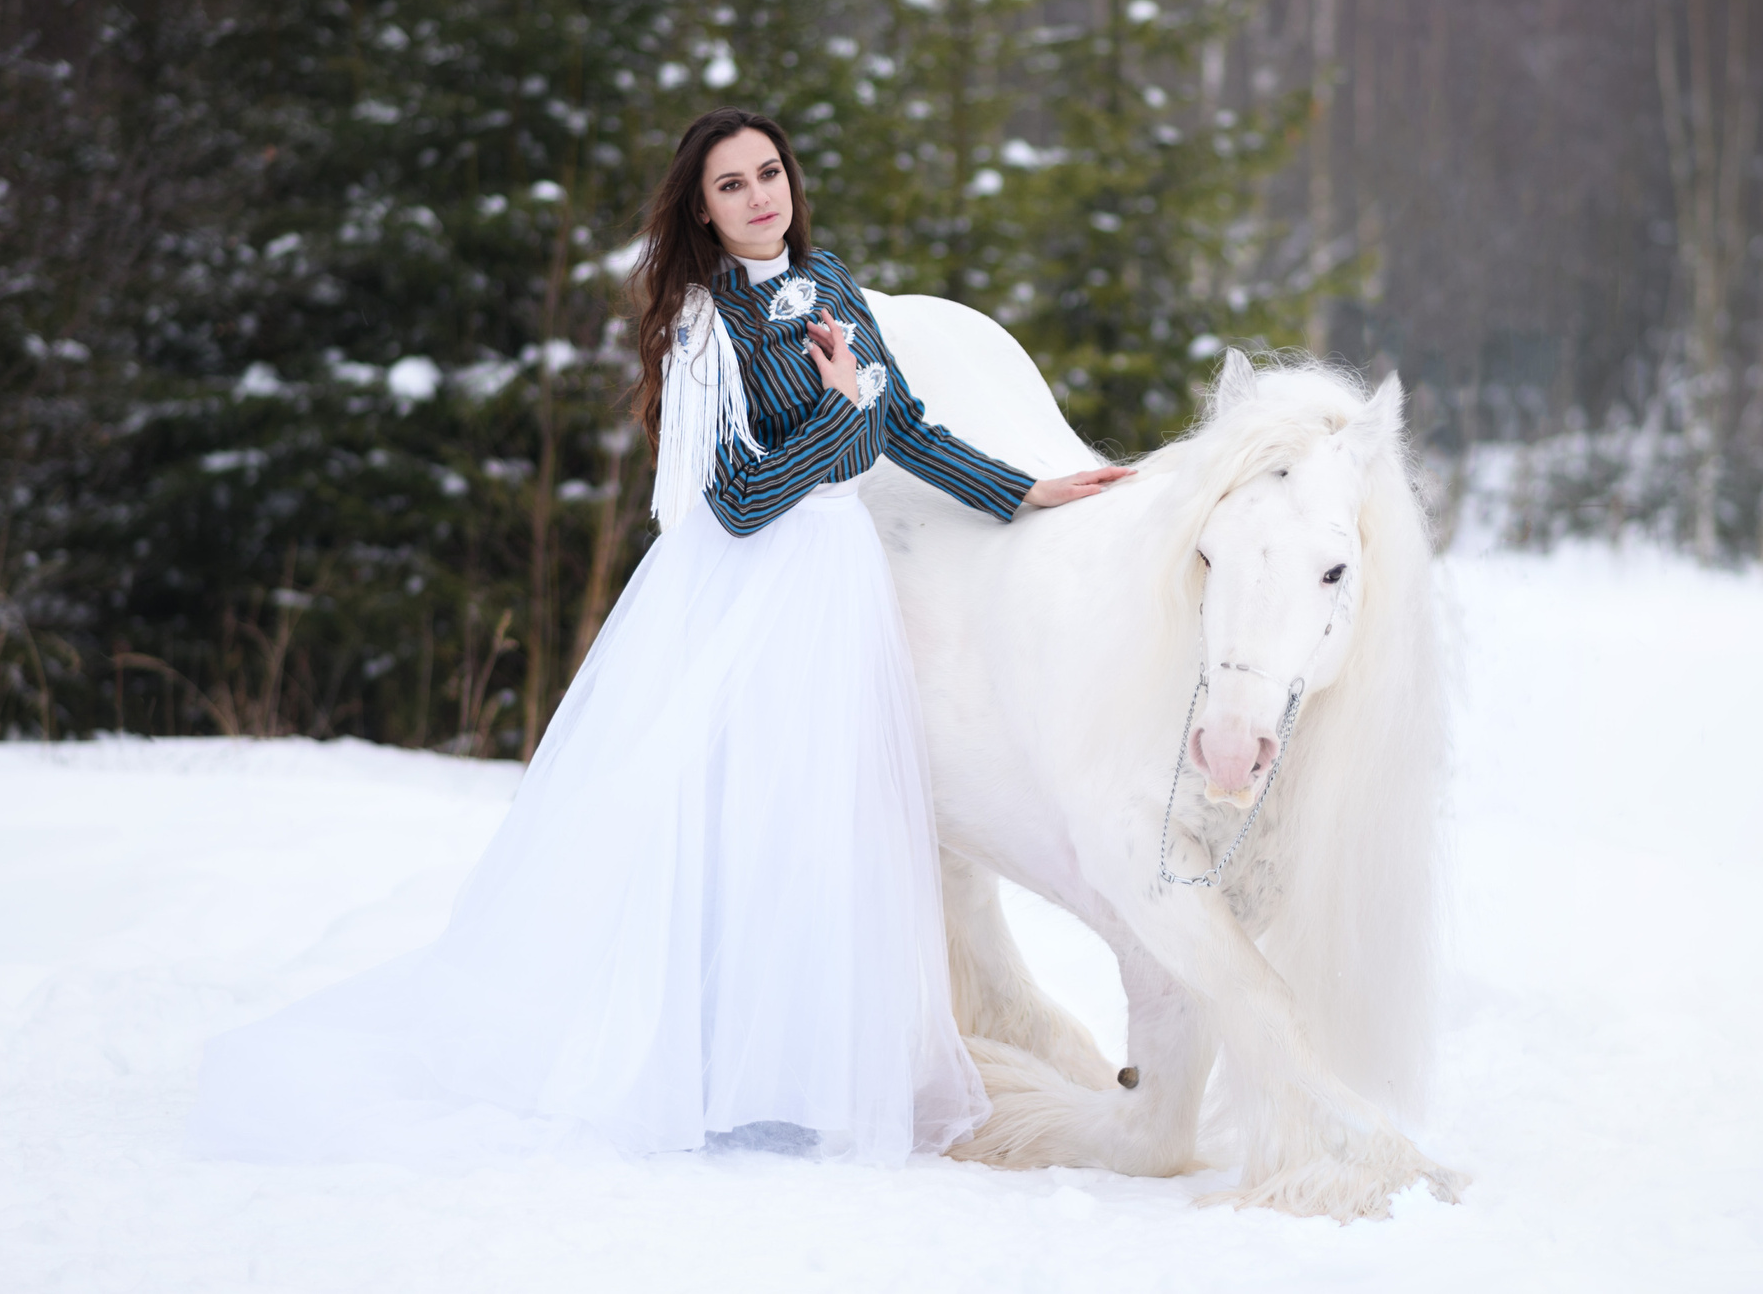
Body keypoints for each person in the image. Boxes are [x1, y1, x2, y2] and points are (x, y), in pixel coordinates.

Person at [187, 107, 1129, 1168]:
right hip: (761, 587)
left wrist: (1023, 488)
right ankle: (709, 1070)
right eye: (731, 185)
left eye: (769, 172)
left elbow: (902, 425)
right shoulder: (700, 323)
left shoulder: (833, 282)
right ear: (701, 210)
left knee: (825, 828)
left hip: (841, 580)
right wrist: (833, 411)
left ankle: (800, 1071)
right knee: (740, 825)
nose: (759, 196)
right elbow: (737, 500)